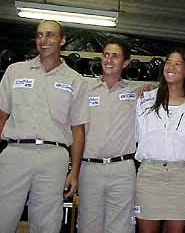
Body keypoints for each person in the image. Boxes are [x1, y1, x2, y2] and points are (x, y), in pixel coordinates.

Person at [0, 20, 89, 233]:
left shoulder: (76, 80)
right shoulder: (15, 71)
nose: (44, 40)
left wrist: (74, 171)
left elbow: (78, 130)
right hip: (15, 153)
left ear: (62, 41)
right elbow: (0, 117)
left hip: (54, 157)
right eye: (40, 35)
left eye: (50, 35)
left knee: (46, 225)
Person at [78, 37, 144, 233]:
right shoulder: (84, 89)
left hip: (122, 169)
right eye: (106, 55)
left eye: (115, 56)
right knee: (88, 226)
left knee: (121, 227)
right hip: (89, 168)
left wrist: (147, 90)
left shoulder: (136, 92)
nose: (109, 60)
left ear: (125, 63)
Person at [135, 48, 185, 233]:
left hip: (182, 177)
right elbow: (135, 135)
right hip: (149, 174)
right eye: (168, 62)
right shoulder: (145, 99)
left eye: (177, 63)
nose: (170, 67)